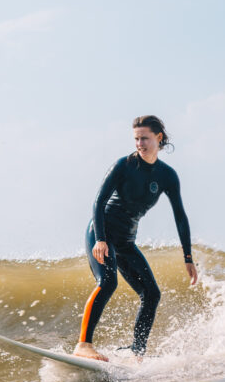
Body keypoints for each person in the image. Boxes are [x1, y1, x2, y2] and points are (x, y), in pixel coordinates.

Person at [75, 115, 197, 361]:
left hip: (126, 241)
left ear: (158, 138)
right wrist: (100, 239)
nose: (140, 144)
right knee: (107, 282)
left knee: (152, 294)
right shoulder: (124, 165)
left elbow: (180, 217)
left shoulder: (167, 175)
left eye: (145, 138)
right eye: (136, 139)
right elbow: (99, 202)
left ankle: (137, 352)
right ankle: (83, 345)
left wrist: (188, 257)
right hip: (102, 232)